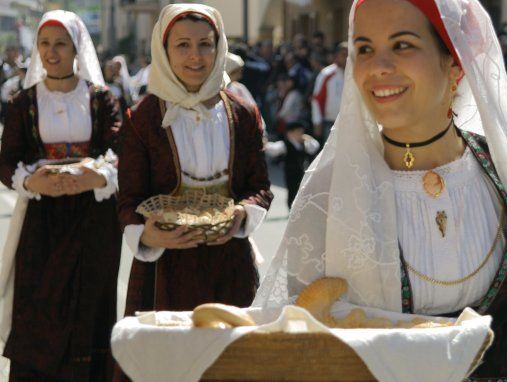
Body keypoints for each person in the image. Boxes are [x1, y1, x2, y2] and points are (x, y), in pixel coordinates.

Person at [253, 1, 507, 381]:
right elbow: (296, 333)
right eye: (364, 49)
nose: (378, 66)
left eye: (403, 45)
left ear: (454, 65)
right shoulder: (332, 190)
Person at [117, 4, 272, 323]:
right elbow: (129, 198)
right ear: (164, 50)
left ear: (220, 48)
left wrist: (241, 214)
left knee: (231, 361)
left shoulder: (243, 115)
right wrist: (147, 236)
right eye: (183, 45)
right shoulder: (142, 119)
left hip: (229, 260)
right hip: (165, 267)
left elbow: (259, 187)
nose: (195, 56)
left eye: (205, 44)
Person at [0, 10, 121, 381]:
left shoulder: (101, 99)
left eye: (61, 44)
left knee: (90, 298)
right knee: (40, 301)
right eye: (45, 44)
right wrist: (33, 182)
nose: (52, 53)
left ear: (76, 48)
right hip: (42, 221)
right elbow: (6, 162)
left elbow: (121, 151)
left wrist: (97, 177)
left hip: (93, 218)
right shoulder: (24, 102)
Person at [265, 120, 320, 208]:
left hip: (302, 172)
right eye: (298, 132)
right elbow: (273, 149)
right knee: (292, 191)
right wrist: (265, 144)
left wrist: (309, 139)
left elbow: (315, 147)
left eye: (301, 132)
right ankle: (291, 208)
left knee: (302, 191)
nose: (301, 134)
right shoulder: (285, 144)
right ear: (290, 133)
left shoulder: (304, 144)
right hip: (290, 173)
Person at [311, 42, 347, 145]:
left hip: (350, 122)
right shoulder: (327, 74)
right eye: (343, 54)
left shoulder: (355, 74)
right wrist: (317, 121)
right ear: (336, 56)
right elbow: (316, 99)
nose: (347, 58)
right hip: (330, 122)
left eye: (349, 54)